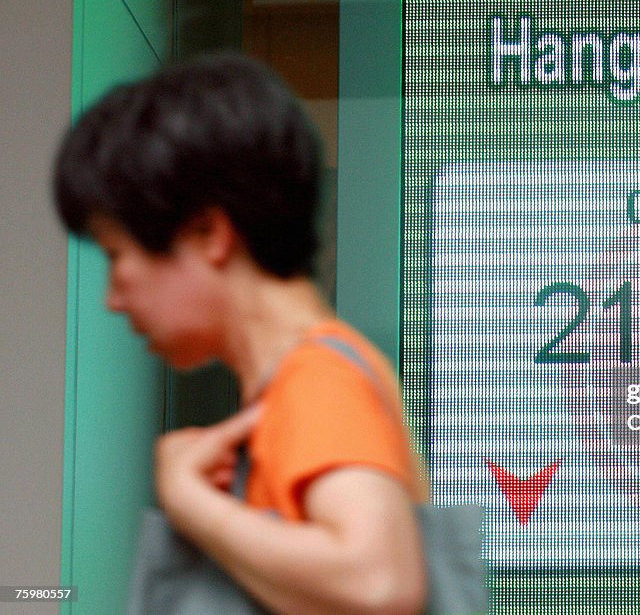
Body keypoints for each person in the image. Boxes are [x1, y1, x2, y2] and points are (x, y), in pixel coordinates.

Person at [54, 53, 428, 613]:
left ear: (209, 233)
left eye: (117, 254)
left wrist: (189, 504)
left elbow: (379, 583)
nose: (113, 298)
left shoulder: (316, 378)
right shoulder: (306, 377)